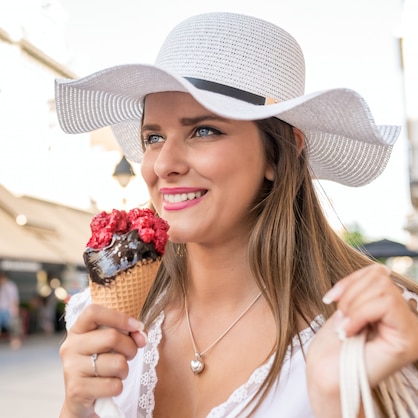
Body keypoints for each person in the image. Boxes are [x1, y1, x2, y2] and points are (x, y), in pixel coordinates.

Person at [54, 12, 418, 418]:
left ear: (281, 152)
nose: (163, 165)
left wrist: (336, 399)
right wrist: (75, 407)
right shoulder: (99, 318)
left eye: (204, 130)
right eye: (153, 137)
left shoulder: (373, 326)